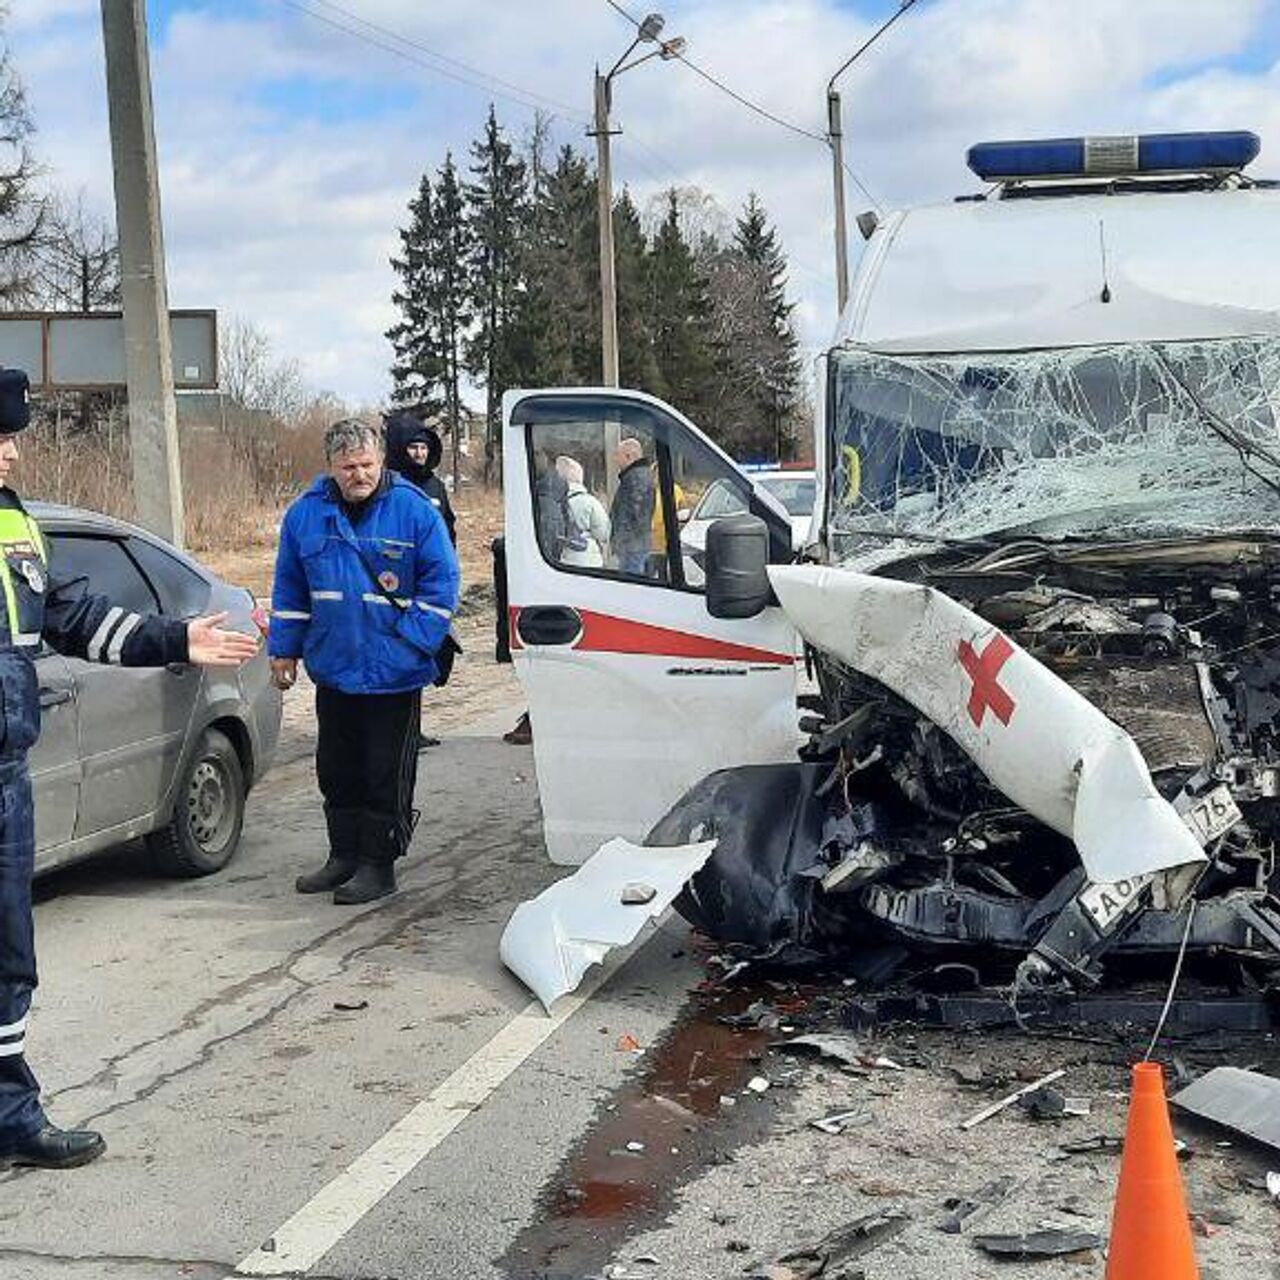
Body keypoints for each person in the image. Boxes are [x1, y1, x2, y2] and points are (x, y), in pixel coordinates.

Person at [0, 368, 260, 1170]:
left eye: (12, 438)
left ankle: (12, 1115)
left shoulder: (15, 527)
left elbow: (74, 618)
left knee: (9, 958)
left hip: (6, 778)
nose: (11, 454)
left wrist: (177, 641)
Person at [269, 418, 460, 905]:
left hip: (394, 674)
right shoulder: (304, 516)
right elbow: (291, 590)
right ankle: (343, 856)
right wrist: (284, 650)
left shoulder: (415, 511)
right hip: (334, 668)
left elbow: (442, 584)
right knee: (337, 768)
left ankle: (379, 864)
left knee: (384, 774)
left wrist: (412, 643)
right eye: (349, 466)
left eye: (367, 465)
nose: (359, 475)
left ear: (381, 461)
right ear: (331, 466)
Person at [384, 411, 457, 545]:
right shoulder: (386, 484)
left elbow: (448, 528)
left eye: (423, 448)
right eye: (413, 448)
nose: (419, 454)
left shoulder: (436, 486)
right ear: (401, 450)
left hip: (432, 559)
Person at [609, 437, 655, 576]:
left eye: (617, 454)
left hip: (632, 547)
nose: (614, 459)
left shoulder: (635, 479)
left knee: (631, 587)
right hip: (636, 544)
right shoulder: (638, 476)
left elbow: (634, 514)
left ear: (629, 456)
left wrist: (620, 541)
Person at [555, 455, 610, 568]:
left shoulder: (555, 501)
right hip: (589, 557)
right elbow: (603, 533)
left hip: (563, 558)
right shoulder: (590, 502)